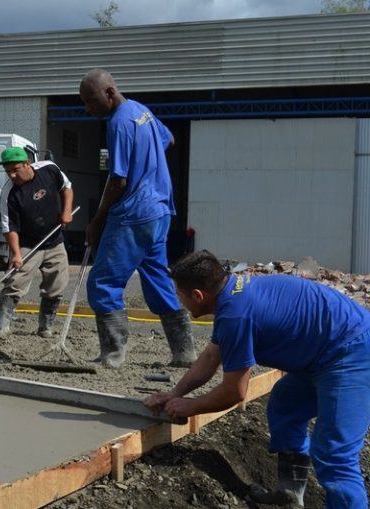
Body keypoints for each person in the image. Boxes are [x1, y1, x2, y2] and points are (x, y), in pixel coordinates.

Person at [145, 250, 370, 508]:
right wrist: (175, 394)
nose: (179, 300)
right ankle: (290, 492)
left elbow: (235, 392)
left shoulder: (235, 315)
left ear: (198, 296)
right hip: (324, 352)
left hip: (351, 352)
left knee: (334, 454)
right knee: (286, 403)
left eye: (179, 295)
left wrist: (191, 406)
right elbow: (210, 358)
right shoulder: (232, 294)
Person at [78, 68, 196, 368]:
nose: (88, 108)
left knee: (103, 282)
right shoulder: (141, 111)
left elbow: (118, 180)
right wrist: (147, 160)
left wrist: (97, 221)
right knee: (157, 279)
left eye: (90, 101)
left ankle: (113, 355)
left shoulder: (118, 123)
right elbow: (168, 140)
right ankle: (184, 353)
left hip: (133, 214)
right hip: (159, 211)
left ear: (109, 92)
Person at [0, 146, 74, 338]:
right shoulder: (9, 194)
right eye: (7, 171)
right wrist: (16, 254)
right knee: (15, 283)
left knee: (56, 285)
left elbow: (67, 187)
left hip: (54, 240)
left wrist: (66, 211)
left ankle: (45, 327)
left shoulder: (49, 169)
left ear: (27, 164)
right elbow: (9, 228)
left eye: (15, 170)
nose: (11, 175)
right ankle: (2, 327)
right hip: (27, 244)